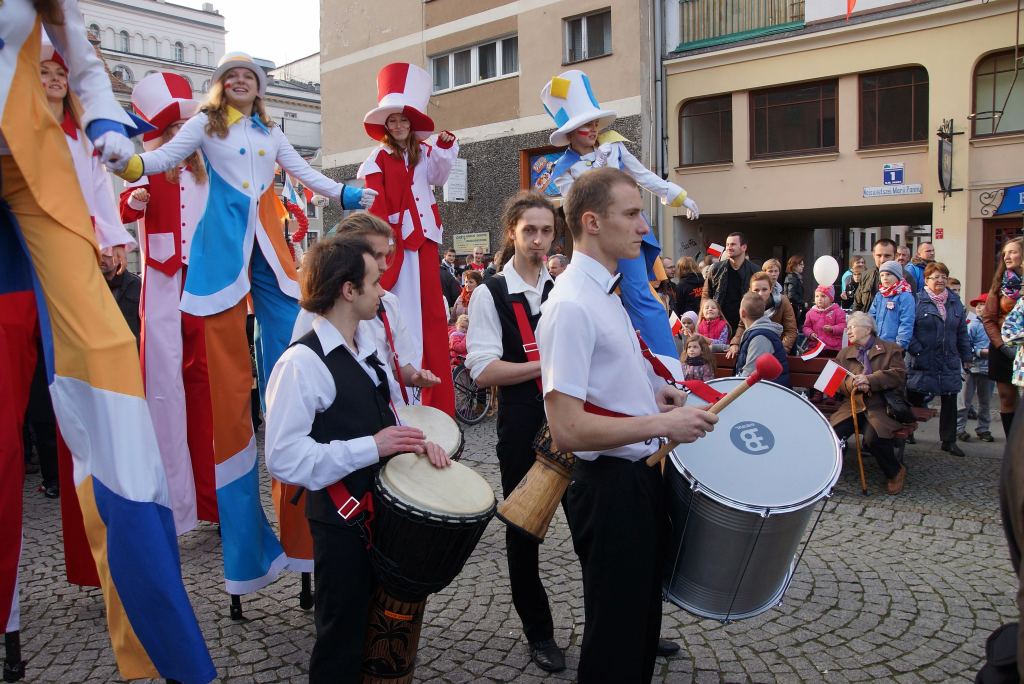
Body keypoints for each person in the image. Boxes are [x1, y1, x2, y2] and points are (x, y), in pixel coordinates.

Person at [2, 3, 214, 680]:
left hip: (34, 178)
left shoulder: (80, 130)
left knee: (112, 374)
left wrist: (105, 122)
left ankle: (156, 653)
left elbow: (81, 57)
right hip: (134, 265)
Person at [114, 50, 374, 596]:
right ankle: (247, 557)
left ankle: (304, 547)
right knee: (231, 411)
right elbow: (161, 161)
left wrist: (346, 193)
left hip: (274, 265)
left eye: (248, 76)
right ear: (220, 85)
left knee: (296, 389)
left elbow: (304, 173)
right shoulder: (202, 126)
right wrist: (130, 165)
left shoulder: (271, 132)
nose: (239, 81)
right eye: (231, 75)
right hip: (218, 266)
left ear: (258, 87)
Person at [536, 168, 717, 682]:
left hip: (637, 480)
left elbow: (607, 384)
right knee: (614, 644)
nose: (645, 228)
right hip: (609, 489)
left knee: (638, 630)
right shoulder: (570, 305)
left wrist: (652, 393)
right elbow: (568, 429)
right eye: (633, 214)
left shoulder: (604, 292)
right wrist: (661, 421)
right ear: (591, 222)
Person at [265, 236, 451, 683]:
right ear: (348, 290)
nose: (382, 291)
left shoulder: (365, 347)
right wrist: (374, 446)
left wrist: (412, 441)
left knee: (375, 628)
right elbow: (283, 458)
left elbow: (380, 417)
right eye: (374, 282)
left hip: (376, 512)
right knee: (340, 637)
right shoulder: (301, 363)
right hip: (339, 520)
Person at [465, 191, 568, 672]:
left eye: (547, 231)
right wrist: (543, 365)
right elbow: (482, 370)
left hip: (571, 423)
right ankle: (539, 632)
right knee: (524, 533)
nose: (539, 240)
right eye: (530, 230)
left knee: (595, 527)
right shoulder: (490, 293)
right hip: (523, 426)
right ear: (512, 232)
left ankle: (621, 624)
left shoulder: (561, 289)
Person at [543, 69, 697, 373]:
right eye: (585, 124)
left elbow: (643, 176)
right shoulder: (562, 169)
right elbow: (575, 208)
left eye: (594, 121)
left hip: (625, 233)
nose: (593, 128)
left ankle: (669, 369)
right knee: (598, 301)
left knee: (640, 296)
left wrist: (678, 196)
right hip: (595, 241)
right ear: (571, 132)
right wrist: (595, 175)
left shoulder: (614, 145)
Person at [119, 71, 216, 534]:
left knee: (205, 387)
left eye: (185, 130)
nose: (180, 138)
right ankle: (170, 505)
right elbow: (121, 210)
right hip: (159, 283)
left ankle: (210, 501)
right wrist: (135, 202)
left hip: (198, 285)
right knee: (162, 388)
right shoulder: (145, 164)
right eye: (173, 131)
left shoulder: (205, 173)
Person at [358, 62, 458, 415]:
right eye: (393, 121)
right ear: (386, 127)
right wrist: (385, 245)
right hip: (397, 248)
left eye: (404, 120)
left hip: (426, 241)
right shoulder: (377, 159)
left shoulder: (424, 152)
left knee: (431, 316)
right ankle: (404, 396)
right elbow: (377, 207)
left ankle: (437, 402)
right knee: (400, 316)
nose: (399, 126)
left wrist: (446, 148)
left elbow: (440, 177)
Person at [831, 312, 909, 494]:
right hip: (851, 406)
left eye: (852, 327)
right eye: (847, 327)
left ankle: (895, 472)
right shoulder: (845, 353)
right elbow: (835, 383)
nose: (848, 331)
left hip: (880, 406)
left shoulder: (891, 349)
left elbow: (898, 375)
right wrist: (852, 383)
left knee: (873, 439)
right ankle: (830, 476)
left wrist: (870, 380)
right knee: (834, 435)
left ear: (867, 329)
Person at [906, 263, 972, 457]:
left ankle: (948, 440)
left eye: (943, 276)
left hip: (948, 360)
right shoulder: (917, 301)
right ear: (926, 280)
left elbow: (961, 332)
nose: (940, 280)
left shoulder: (955, 302)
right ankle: (908, 432)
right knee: (914, 397)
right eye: (935, 277)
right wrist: (918, 352)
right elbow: (908, 330)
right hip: (922, 360)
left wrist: (966, 356)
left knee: (950, 399)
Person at [983, 237, 1024, 439]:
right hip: (1003, 349)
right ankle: (1012, 445)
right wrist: (1001, 346)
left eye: (1013, 252)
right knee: (1007, 398)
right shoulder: (1000, 284)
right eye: (1005, 253)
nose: (1007, 256)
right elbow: (988, 319)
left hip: (1023, 350)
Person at [728, 271, 798, 356]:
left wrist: (781, 350)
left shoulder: (783, 301)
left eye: (764, 289)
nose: (760, 294)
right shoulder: (747, 301)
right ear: (750, 291)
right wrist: (735, 343)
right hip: (753, 347)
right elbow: (742, 326)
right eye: (756, 290)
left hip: (777, 348)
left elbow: (790, 330)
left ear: (771, 289)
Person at [704, 232, 761, 333]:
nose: (729, 247)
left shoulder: (755, 271)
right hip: (720, 324)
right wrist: (704, 316)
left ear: (744, 247)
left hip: (746, 324)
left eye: (733, 244)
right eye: (727, 244)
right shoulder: (716, 269)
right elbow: (706, 295)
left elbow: (760, 298)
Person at [735, 292, 791, 387]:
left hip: (770, 394)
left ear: (742, 312)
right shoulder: (757, 333)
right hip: (763, 391)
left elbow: (749, 374)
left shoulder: (760, 338)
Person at [958, 293, 994, 442]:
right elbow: (966, 345)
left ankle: (983, 429)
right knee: (964, 401)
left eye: (983, 304)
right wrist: (979, 352)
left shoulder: (994, 326)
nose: (979, 307)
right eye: (978, 305)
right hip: (971, 368)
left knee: (985, 402)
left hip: (989, 369)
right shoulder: (972, 325)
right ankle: (959, 428)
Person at [868, 260, 915, 349]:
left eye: (889, 274)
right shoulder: (880, 295)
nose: (885, 278)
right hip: (876, 343)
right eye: (882, 275)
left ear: (898, 276)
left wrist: (900, 344)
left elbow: (906, 321)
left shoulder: (905, 296)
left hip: (894, 345)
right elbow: (871, 316)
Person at [100, 248, 142, 346]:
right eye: (99, 253)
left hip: (132, 352)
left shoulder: (138, 285)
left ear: (120, 257)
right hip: (101, 352)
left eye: (107, 254)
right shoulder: (91, 285)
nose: (101, 259)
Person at [854, 238, 898, 312]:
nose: (882, 260)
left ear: (895, 256)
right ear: (873, 255)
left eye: (887, 256)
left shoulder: (905, 277)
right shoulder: (866, 275)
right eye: (879, 255)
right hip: (866, 321)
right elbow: (857, 305)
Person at [803, 285, 847, 351]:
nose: (819, 299)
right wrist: (810, 333)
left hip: (833, 348)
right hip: (815, 347)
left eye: (823, 296)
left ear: (831, 299)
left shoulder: (838, 311)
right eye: (817, 296)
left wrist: (832, 328)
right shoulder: (810, 313)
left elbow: (843, 326)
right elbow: (806, 327)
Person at [784, 255, 807, 326]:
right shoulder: (792, 278)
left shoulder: (795, 277)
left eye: (803, 264)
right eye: (800, 264)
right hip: (794, 309)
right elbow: (791, 296)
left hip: (795, 309)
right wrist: (803, 303)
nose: (803, 266)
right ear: (794, 266)